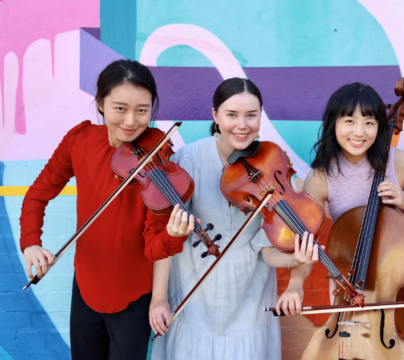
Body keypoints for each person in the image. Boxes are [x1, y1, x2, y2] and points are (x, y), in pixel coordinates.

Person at [19, 59, 187, 359]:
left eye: (142, 110)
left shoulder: (156, 157)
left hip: (134, 295)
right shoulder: (79, 140)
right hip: (85, 286)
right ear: (100, 104)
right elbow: (36, 195)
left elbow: (153, 248)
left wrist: (174, 236)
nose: (131, 121)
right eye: (119, 108)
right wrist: (31, 242)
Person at [148, 78, 319, 360]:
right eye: (232, 115)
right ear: (215, 115)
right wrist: (159, 298)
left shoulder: (273, 165)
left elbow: (264, 253)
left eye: (251, 115)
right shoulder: (186, 161)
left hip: (249, 303)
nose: (242, 125)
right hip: (192, 301)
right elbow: (167, 238)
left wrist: (297, 258)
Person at [304, 82, 404, 234]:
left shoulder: (401, 163)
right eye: (350, 121)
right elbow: (306, 234)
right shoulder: (320, 177)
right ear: (334, 123)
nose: (359, 132)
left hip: (396, 255)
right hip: (348, 257)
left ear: (378, 126)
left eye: (369, 123)